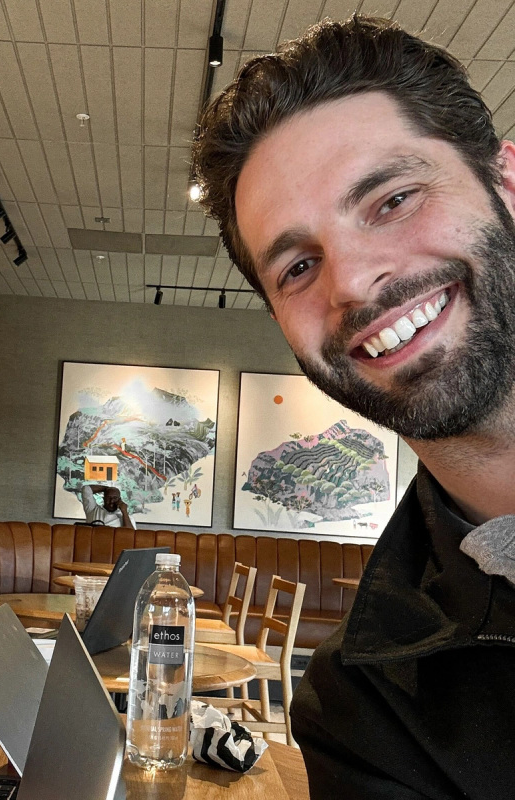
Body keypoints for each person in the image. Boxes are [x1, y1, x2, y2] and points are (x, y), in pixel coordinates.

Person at [193, 15, 515, 799]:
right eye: (299, 266)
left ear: (507, 182)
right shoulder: (365, 708)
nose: (353, 283)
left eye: (393, 200)